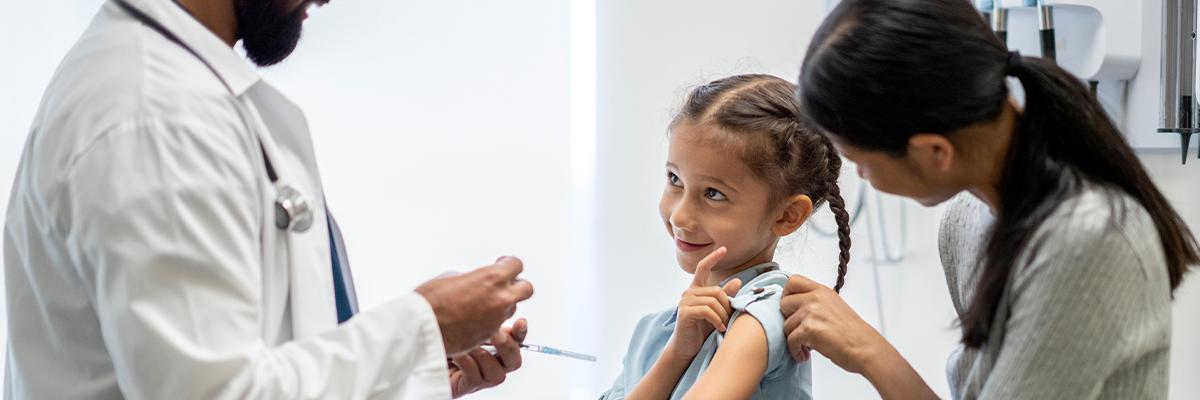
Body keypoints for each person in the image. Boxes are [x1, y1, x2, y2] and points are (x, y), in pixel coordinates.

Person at [3, 0, 534, 398]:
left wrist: (408, 370)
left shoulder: (175, 89)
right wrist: (422, 327)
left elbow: (242, 365)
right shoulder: (156, 116)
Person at [779, 0, 1199, 399]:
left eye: (861, 163)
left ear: (934, 153)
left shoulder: (1090, 240)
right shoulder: (967, 219)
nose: (864, 179)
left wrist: (869, 352)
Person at [600, 74, 851, 399]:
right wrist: (676, 354)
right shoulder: (656, 332)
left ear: (787, 215)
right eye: (674, 178)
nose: (680, 215)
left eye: (714, 194)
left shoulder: (762, 317)